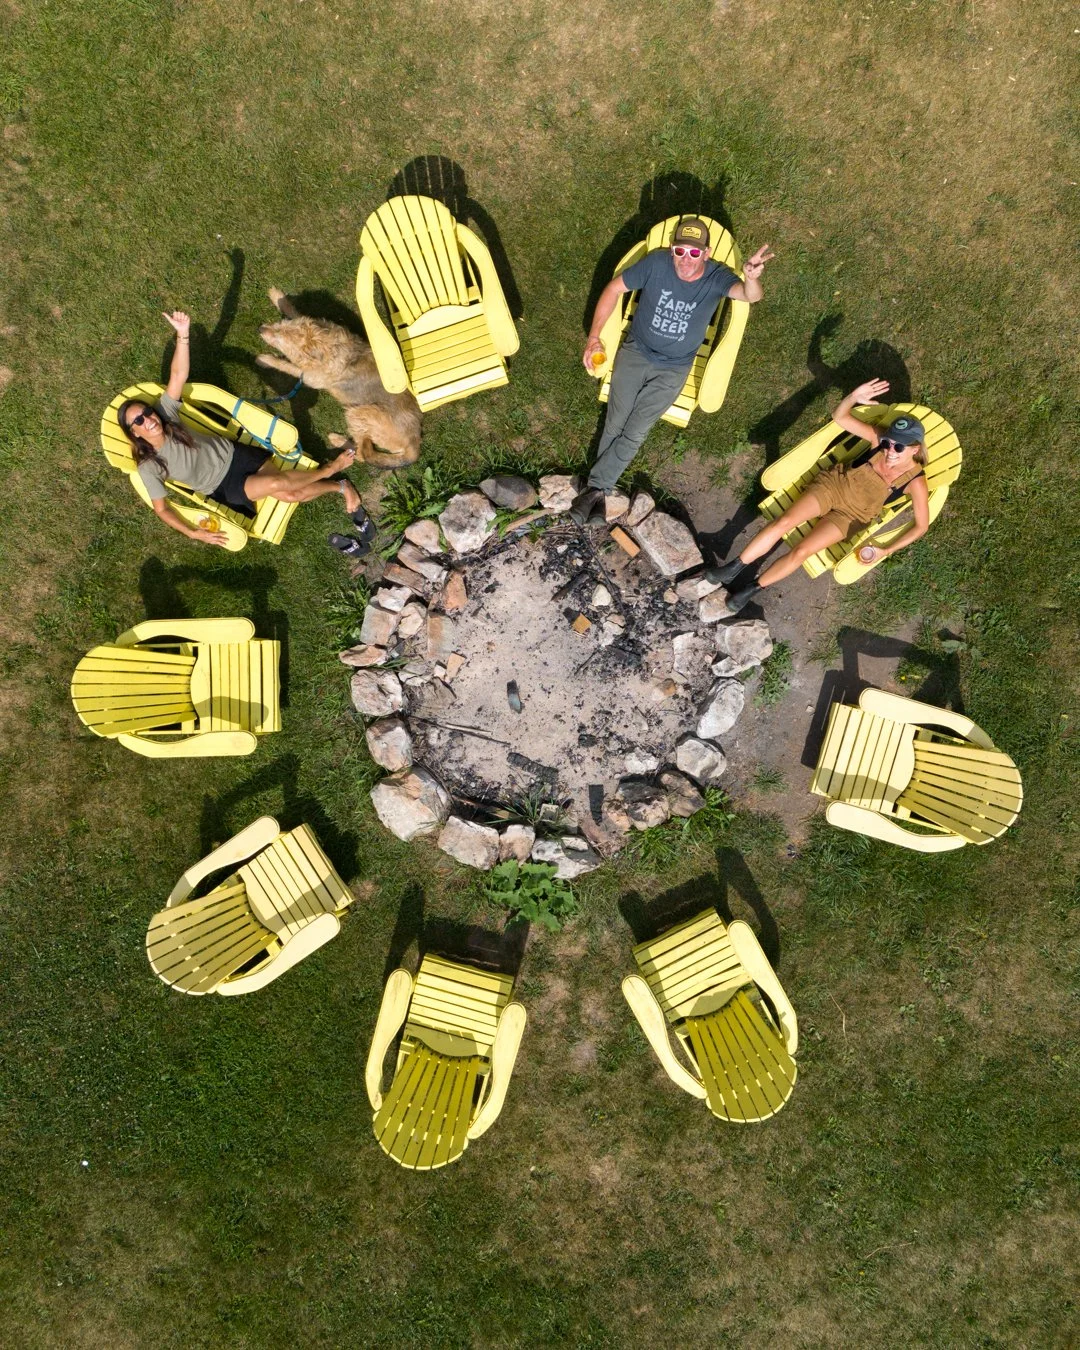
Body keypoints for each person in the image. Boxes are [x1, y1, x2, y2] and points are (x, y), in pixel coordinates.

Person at [571, 218, 773, 523]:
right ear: (672, 248)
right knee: (615, 422)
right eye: (680, 251)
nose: (685, 260)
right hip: (636, 352)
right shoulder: (656, 263)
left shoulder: (717, 276)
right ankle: (598, 493)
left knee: (635, 430)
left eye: (694, 254)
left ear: (706, 254)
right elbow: (613, 289)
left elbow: (750, 295)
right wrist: (594, 336)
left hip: (674, 368)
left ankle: (595, 489)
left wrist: (751, 277)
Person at [117, 310, 373, 549]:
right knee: (278, 485)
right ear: (135, 433)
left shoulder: (165, 414)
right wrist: (194, 532)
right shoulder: (148, 466)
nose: (147, 419)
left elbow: (178, 374)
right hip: (223, 485)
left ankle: (340, 486)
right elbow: (162, 509)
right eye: (138, 421)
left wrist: (183, 333)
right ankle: (330, 470)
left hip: (236, 455)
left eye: (145, 412)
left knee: (290, 493)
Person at [709, 379, 931, 612]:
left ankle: (752, 588)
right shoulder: (878, 440)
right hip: (833, 487)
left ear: (915, 449)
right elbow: (840, 417)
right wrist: (853, 397)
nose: (889, 451)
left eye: (899, 447)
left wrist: (886, 550)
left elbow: (921, 526)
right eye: (888, 442)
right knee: (783, 522)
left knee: (802, 551)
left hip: (851, 516)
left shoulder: (915, 482)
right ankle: (733, 568)